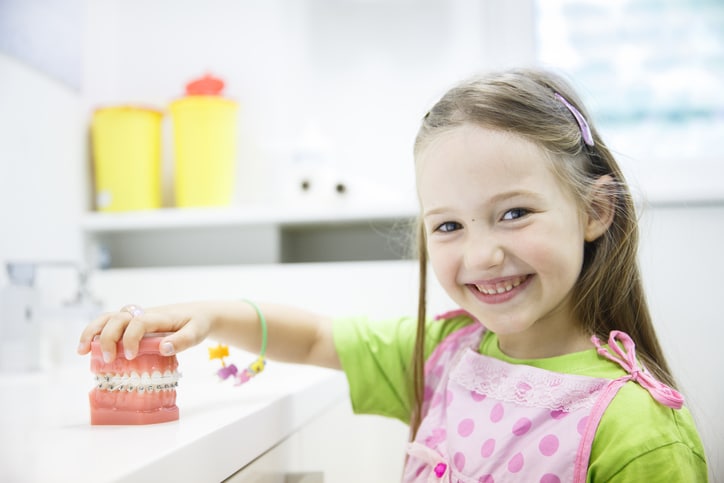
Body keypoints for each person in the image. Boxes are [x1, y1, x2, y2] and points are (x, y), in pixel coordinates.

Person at [78, 68, 708, 481]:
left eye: (513, 213)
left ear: (594, 211)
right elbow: (318, 338)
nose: (482, 255)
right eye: (449, 226)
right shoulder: (445, 355)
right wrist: (211, 315)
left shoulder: (637, 430)